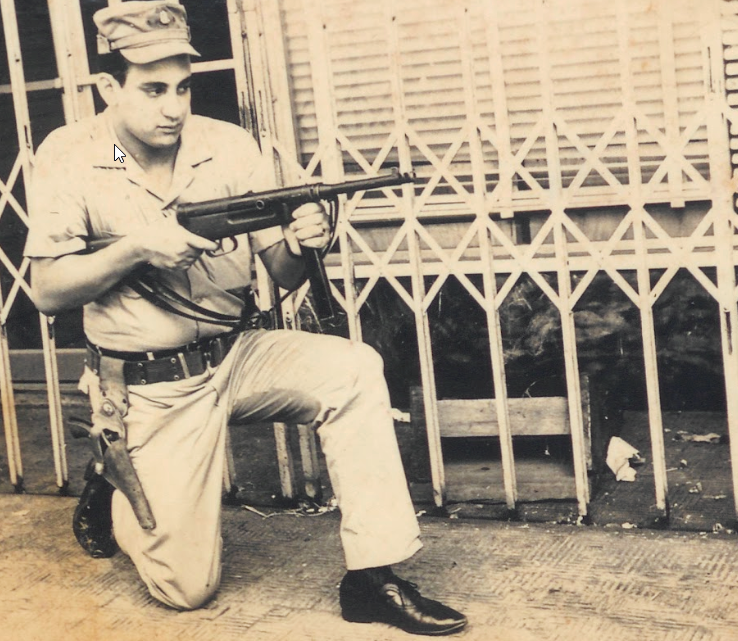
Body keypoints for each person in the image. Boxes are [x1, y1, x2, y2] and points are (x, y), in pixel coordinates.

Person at [25, 1, 467, 635]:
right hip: (150, 384)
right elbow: (46, 290)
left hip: (236, 355)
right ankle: (116, 474)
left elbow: (282, 273)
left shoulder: (226, 146)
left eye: (183, 87)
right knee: (186, 589)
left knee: (353, 369)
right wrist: (137, 248)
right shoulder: (76, 155)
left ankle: (374, 577)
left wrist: (304, 242)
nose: (173, 107)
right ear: (107, 88)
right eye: (152, 89)